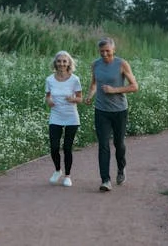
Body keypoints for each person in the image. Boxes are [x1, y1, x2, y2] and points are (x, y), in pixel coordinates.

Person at [84, 37, 138, 192]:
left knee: (119, 144)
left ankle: (121, 168)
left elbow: (134, 86)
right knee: (103, 144)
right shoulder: (95, 65)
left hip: (119, 110)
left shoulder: (121, 64)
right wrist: (90, 95)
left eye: (108, 51)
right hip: (101, 111)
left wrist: (114, 90)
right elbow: (94, 84)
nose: (105, 54)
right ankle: (105, 180)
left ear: (113, 50)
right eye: (102, 51)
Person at [45, 50, 82, 187]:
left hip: (71, 116)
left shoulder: (75, 79)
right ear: (55, 63)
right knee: (54, 147)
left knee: (67, 147)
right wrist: (48, 101)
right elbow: (48, 95)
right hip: (56, 115)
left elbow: (80, 98)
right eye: (59, 61)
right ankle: (57, 170)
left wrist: (73, 99)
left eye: (64, 61)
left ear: (69, 63)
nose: (61, 64)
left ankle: (67, 176)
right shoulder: (49, 79)